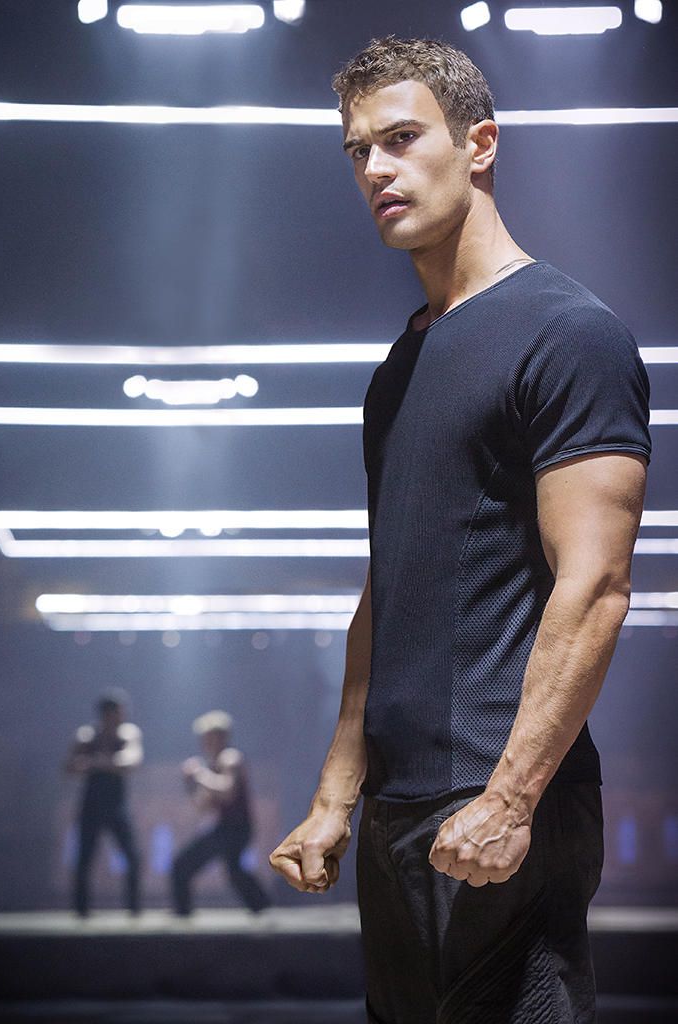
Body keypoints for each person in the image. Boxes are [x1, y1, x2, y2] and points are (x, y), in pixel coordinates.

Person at [269, 36, 652, 1024]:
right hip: (399, 806)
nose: (375, 169)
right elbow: (388, 592)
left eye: (400, 139)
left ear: (478, 144)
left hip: (499, 796)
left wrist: (511, 798)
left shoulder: (567, 332)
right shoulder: (401, 363)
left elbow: (596, 587)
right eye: (357, 150)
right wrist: (336, 794)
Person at [171, 710, 271, 915]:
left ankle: (182, 915)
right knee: (233, 871)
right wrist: (190, 784)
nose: (204, 743)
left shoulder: (230, 758)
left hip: (235, 829)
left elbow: (227, 791)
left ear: (221, 737)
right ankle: (263, 906)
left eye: (208, 737)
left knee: (184, 866)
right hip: (225, 828)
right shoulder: (213, 766)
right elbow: (202, 806)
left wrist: (199, 774)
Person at [64, 688, 143, 917]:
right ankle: (81, 910)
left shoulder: (127, 734)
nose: (121, 717)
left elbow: (132, 761)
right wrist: (103, 763)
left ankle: (133, 909)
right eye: (118, 713)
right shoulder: (87, 735)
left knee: (132, 856)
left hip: (116, 805)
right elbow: (70, 766)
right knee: (85, 857)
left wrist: (96, 763)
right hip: (91, 805)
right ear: (106, 714)